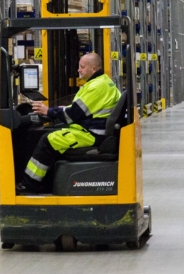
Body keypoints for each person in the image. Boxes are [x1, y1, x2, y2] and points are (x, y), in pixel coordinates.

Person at [20, 52, 121, 193]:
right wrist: (57, 110)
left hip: (91, 134)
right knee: (49, 134)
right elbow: (80, 109)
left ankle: (29, 185)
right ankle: (44, 182)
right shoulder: (103, 82)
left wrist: (48, 112)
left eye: (82, 67)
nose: (79, 70)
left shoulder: (96, 87)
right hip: (94, 129)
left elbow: (71, 116)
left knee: (48, 140)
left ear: (93, 69)